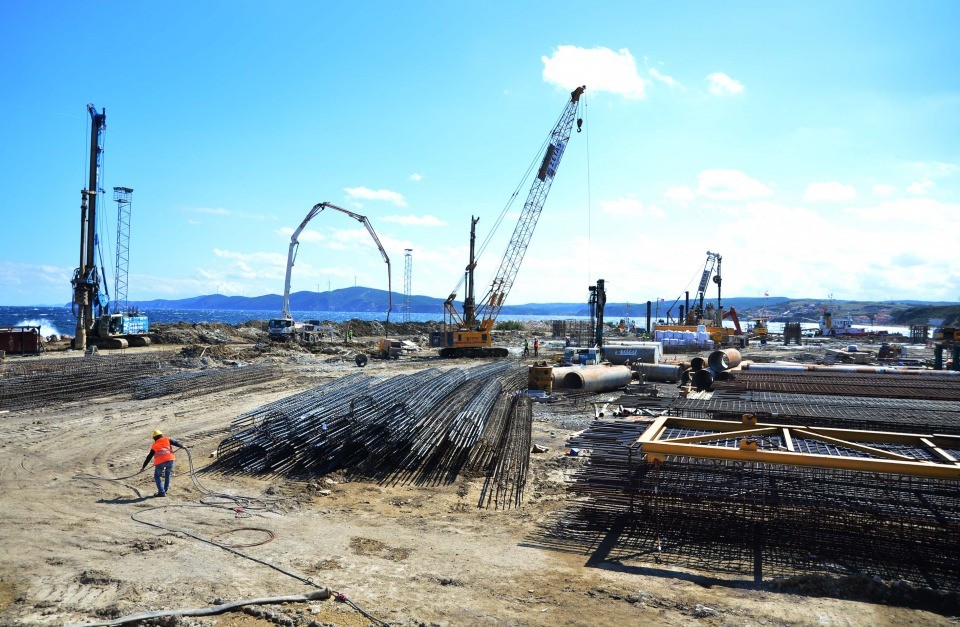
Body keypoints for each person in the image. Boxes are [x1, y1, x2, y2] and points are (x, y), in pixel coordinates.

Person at [140, 429, 184, 497]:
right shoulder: (167, 439)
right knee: (167, 474)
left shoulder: (154, 445)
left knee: (157, 476)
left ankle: (161, 492)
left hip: (160, 462)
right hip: (170, 460)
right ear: (161, 435)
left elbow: (149, 457)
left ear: (154, 438)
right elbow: (176, 443)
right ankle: (165, 490)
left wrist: (143, 467)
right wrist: (182, 446)